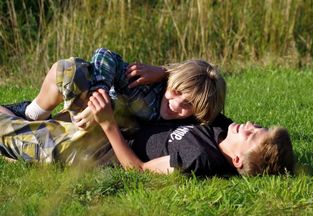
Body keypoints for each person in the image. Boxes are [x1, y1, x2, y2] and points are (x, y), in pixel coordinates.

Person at [5, 48, 226, 133]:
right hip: (89, 111)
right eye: (176, 92)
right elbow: (104, 54)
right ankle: (31, 113)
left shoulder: (191, 123)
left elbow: (216, 119)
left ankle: (36, 123)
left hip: (101, 136)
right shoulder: (145, 85)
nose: (176, 104)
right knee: (69, 69)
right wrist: (100, 96)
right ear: (170, 83)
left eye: (188, 105)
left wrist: (165, 71)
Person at [87, 89, 295, 176]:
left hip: (98, 147)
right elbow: (204, 87)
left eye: (250, 134)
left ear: (238, 159)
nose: (249, 124)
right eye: (257, 126)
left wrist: (108, 125)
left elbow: (139, 169)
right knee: (75, 73)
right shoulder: (221, 127)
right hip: (124, 116)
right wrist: (160, 71)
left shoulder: (198, 158)